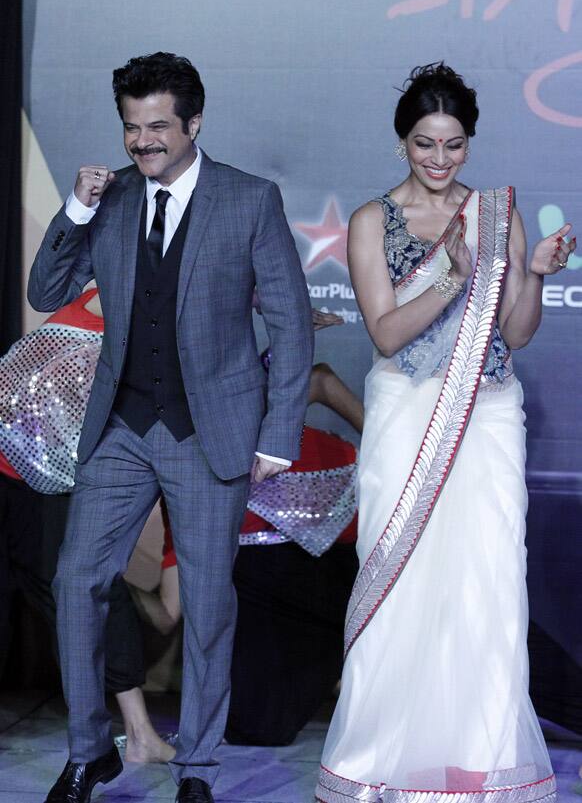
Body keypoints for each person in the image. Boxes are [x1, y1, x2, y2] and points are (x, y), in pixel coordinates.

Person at [28, 52, 313, 803]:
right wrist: (78, 209)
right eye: (131, 127)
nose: (143, 141)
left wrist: (279, 431)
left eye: (158, 126)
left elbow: (289, 323)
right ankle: (91, 750)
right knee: (76, 578)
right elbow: (46, 287)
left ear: (194, 123)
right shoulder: (113, 199)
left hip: (208, 429)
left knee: (211, 605)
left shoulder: (249, 200)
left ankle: (198, 767)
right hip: (120, 425)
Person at [315, 63, 575, 803]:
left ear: (469, 143)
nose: (439, 159)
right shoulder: (372, 220)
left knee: (486, 585)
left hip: (487, 414)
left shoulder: (496, 214)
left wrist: (536, 274)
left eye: (453, 145)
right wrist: (449, 278)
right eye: (425, 143)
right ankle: (380, 759)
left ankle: (476, 763)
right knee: (402, 583)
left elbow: (516, 333)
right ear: (403, 142)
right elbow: (387, 333)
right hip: (407, 414)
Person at [130, 339, 364, 746]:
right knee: (257, 727)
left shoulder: (235, 407)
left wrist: (394, 444)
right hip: (259, 579)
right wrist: (100, 583)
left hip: (334, 563)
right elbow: (169, 611)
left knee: (258, 721)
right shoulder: (178, 488)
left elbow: (321, 382)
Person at [0, 288, 174, 763]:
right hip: (16, 458)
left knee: (91, 587)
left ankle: (138, 732)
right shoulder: (115, 292)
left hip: (44, 476)